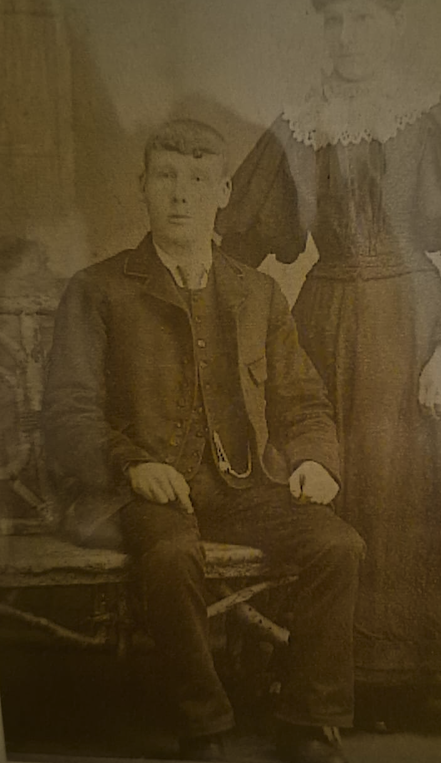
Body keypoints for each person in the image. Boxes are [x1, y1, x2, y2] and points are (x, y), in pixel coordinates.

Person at [217, 0, 441, 726]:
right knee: (332, 481)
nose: (347, 36)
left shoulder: (432, 117)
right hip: (322, 325)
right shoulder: (297, 124)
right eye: (334, 21)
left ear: (394, 25)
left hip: (415, 327)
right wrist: (238, 343)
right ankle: (331, 675)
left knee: (411, 490)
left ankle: (403, 679)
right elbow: (240, 251)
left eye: (362, 19)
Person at [42, 118, 364, 763]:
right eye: (165, 177)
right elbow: (67, 414)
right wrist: (132, 464)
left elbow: (304, 400)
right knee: (169, 556)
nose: (180, 194)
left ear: (223, 193)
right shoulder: (98, 289)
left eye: (197, 179)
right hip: (134, 493)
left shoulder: (258, 293)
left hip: (241, 485)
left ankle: (307, 719)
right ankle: (203, 724)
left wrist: (315, 460)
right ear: (143, 186)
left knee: (339, 545)